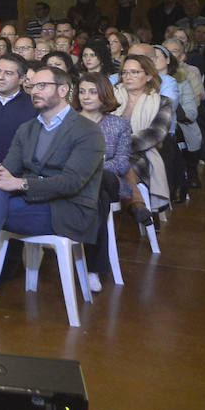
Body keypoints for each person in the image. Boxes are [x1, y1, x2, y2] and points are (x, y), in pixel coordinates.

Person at [0, 66, 105, 324]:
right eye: (32, 85)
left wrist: (19, 184)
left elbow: (72, 183)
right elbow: (9, 167)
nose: (33, 91)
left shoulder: (87, 130)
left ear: (62, 90)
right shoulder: (28, 128)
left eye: (41, 86)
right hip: (30, 205)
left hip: (67, 210)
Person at [75, 72, 136, 288]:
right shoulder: (67, 121)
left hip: (107, 179)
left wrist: (91, 168)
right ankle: (94, 269)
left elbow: (122, 163)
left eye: (92, 91)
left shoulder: (118, 125)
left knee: (100, 184)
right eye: (82, 91)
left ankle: (92, 269)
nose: (86, 96)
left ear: (104, 94)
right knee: (98, 197)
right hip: (72, 181)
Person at [112, 53, 173, 215]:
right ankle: (137, 205)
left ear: (148, 76)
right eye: (124, 72)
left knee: (123, 163)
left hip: (142, 156)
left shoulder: (162, 102)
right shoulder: (110, 97)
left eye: (134, 72)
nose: (128, 76)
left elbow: (155, 134)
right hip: (106, 153)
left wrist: (117, 146)